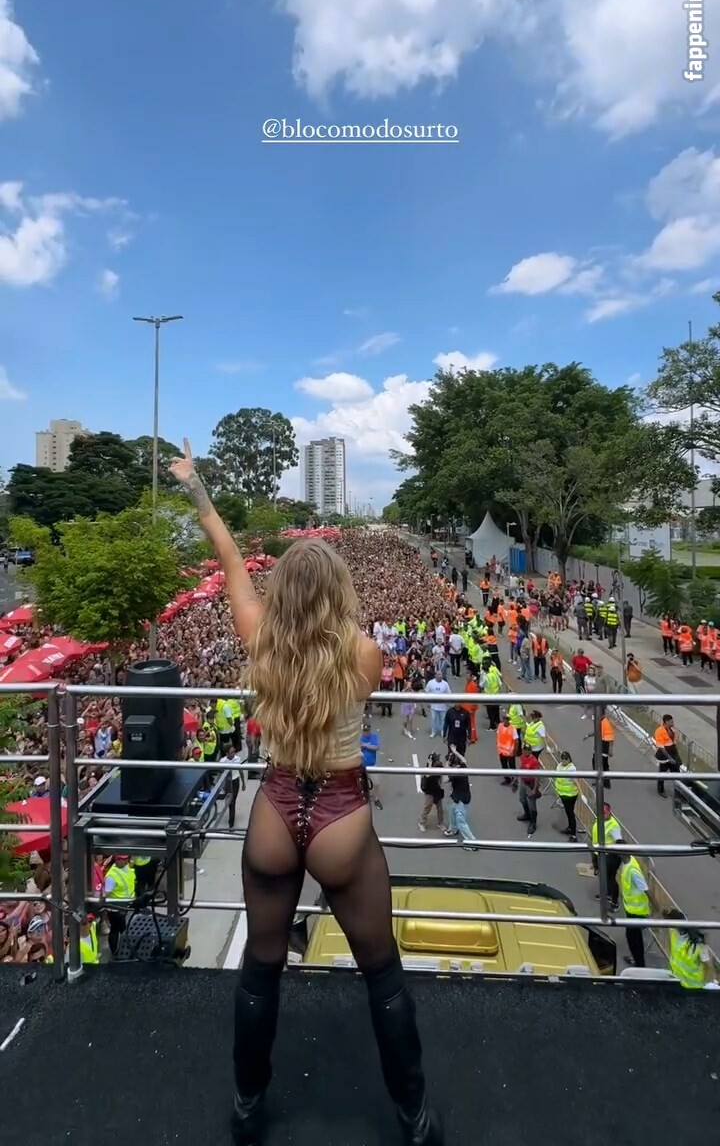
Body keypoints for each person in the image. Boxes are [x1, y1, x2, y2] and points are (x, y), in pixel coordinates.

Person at [171, 440, 442, 1146]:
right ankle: (414, 1117)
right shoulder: (364, 653)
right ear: (337, 591)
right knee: (381, 971)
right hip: (341, 813)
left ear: (283, 591)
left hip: (276, 805)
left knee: (261, 968)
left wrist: (197, 487)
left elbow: (232, 561)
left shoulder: (259, 637)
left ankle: (246, 1106)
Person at [664, 908, 715, 988]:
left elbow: (709, 966)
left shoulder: (700, 945)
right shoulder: (673, 932)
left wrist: (709, 983)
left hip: (695, 986)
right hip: (678, 980)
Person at [618, 846, 650, 967]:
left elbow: (645, 888)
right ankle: (637, 959)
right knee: (633, 937)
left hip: (637, 910)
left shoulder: (633, 870)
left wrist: (655, 910)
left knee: (634, 938)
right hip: (631, 908)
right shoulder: (627, 863)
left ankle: (640, 964)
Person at [516, 743, 542, 837]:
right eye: (524, 749)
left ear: (530, 751)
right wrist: (517, 779)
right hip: (524, 781)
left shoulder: (534, 761)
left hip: (531, 784)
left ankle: (533, 823)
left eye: (528, 750)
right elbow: (521, 767)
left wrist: (534, 788)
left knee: (532, 805)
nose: (526, 751)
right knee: (522, 799)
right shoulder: (522, 757)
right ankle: (527, 814)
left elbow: (536, 776)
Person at [654, 714, 680, 798]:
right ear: (666, 722)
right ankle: (660, 790)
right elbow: (661, 747)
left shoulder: (671, 729)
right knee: (662, 773)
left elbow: (673, 741)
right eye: (671, 722)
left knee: (677, 773)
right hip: (664, 756)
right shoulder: (659, 731)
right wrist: (670, 758)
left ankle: (679, 791)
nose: (673, 723)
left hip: (672, 753)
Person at [555, 751, 579, 841]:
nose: (564, 761)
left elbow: (575, 781)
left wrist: (582, 793)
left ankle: (573, 835)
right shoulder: (559, 766)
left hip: (570, 795)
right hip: (563, 794)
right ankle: (570, 828)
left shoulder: (571, 768)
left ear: (569, 759)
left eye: (566, 759)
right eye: (562, 759)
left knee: (570, 813)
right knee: (568, 812)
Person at [418, 753, 445, 832]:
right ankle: (421, 822)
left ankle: (440, 823)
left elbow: (441, 777)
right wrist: (429, 764)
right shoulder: (427, 768)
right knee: (427, 807)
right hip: (429, 790)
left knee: (440, 808)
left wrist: (440, 783)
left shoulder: (439, 766)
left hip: (436, 789)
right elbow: (427, 775)